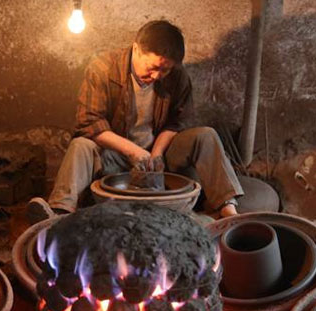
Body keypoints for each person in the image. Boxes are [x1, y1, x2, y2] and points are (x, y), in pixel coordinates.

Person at [27, 20, 243, 223]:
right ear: (137, 49)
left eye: (165, 70)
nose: (158, 75)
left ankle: (228, 212)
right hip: (116, 155)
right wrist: (133, 152)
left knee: (205, 135)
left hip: (161, 154)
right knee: (80, 145)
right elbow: (89, 122)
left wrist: (156, 154)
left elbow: (177, 122)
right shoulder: (103, 68)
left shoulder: (177, 77)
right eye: (153, 67)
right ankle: (59, 213)